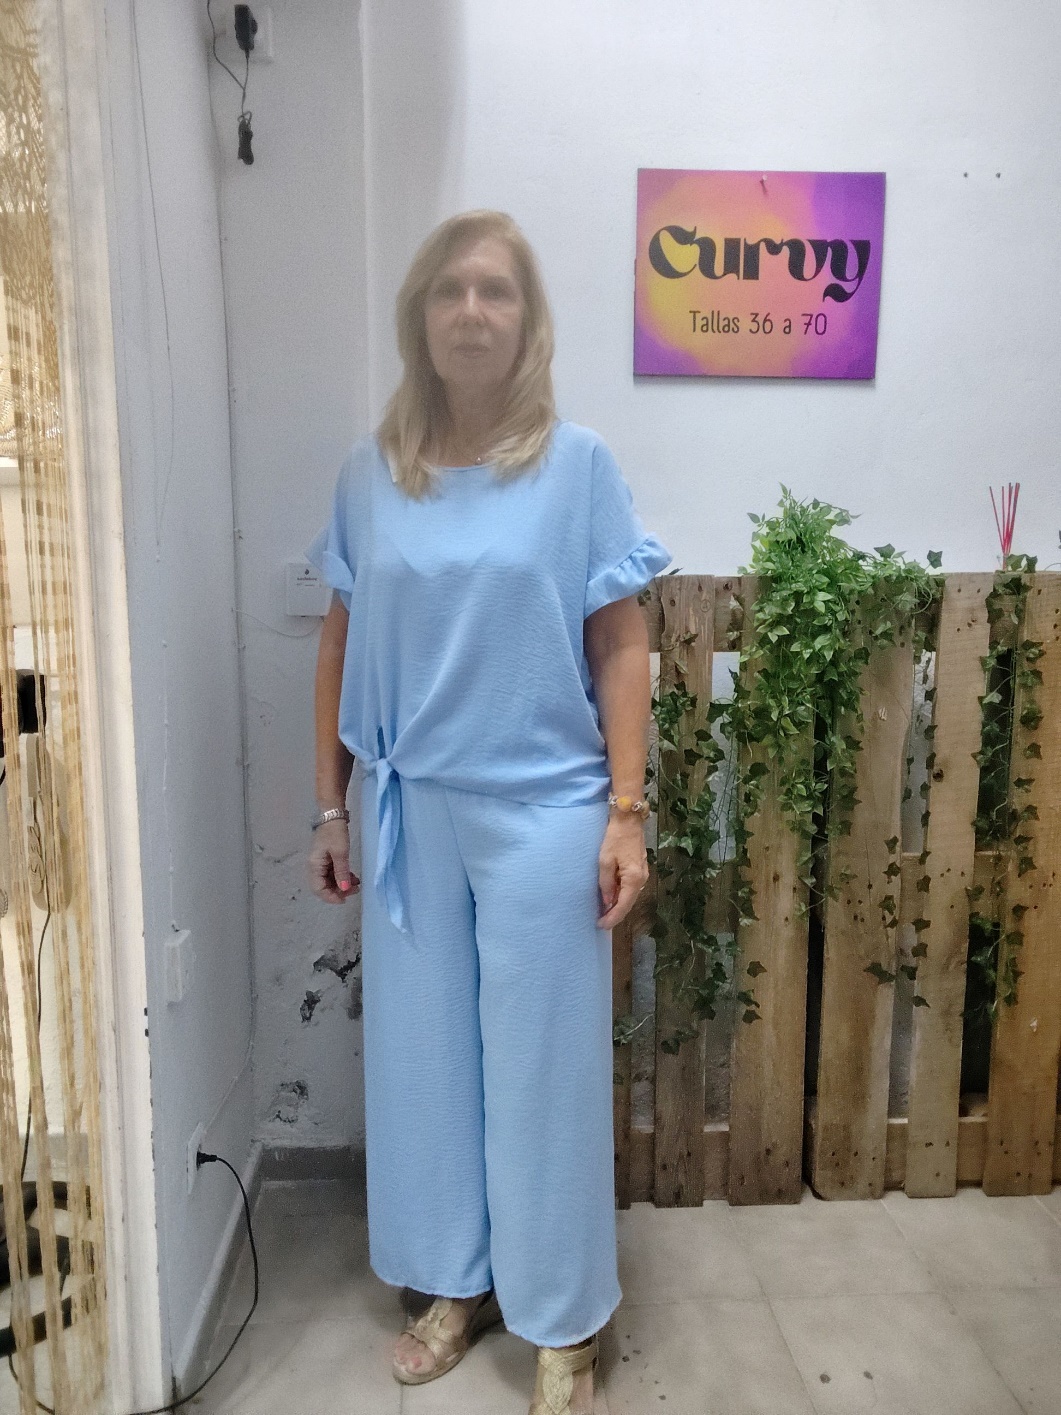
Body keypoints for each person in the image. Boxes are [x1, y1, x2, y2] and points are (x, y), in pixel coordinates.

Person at [306, 209, 671, 1415]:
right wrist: (329, 806)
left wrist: (625, 811)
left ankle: (561, 1316)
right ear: (418, 316)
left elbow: (621, 642)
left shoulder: (576, 468)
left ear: (528, 321)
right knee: (422, 1067)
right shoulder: (371, 473)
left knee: (539, 1071)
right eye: (449, 289)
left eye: (495, 291)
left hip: (543, 809)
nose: (471, 310)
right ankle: (454, 1283)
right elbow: (340, 642)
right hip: (408, 811)